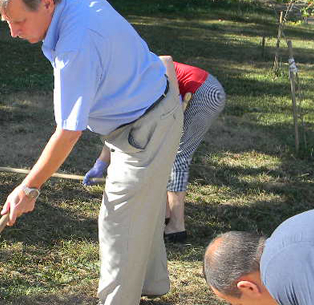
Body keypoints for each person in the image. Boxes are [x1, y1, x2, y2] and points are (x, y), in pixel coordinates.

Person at [0, 0, 182, 305]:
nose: (12, 32)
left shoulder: (77, 44)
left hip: (145, 127)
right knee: (139, 207)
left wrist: (29, 188)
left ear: (46, 2)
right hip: (150, 108)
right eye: (7, 22)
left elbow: (68, 131)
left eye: (18, 21)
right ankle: (152, 283)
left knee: (118, 221)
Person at [83, 57, 226, 243]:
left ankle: (176, 226)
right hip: (199, 90)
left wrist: (103, 162)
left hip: (204, 92)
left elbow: (124, 126)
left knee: (178, 157)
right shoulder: (123, 81)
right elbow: (121, 127)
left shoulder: (131, 76)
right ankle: (166, 214)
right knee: (167, 153)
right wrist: (101, 163)